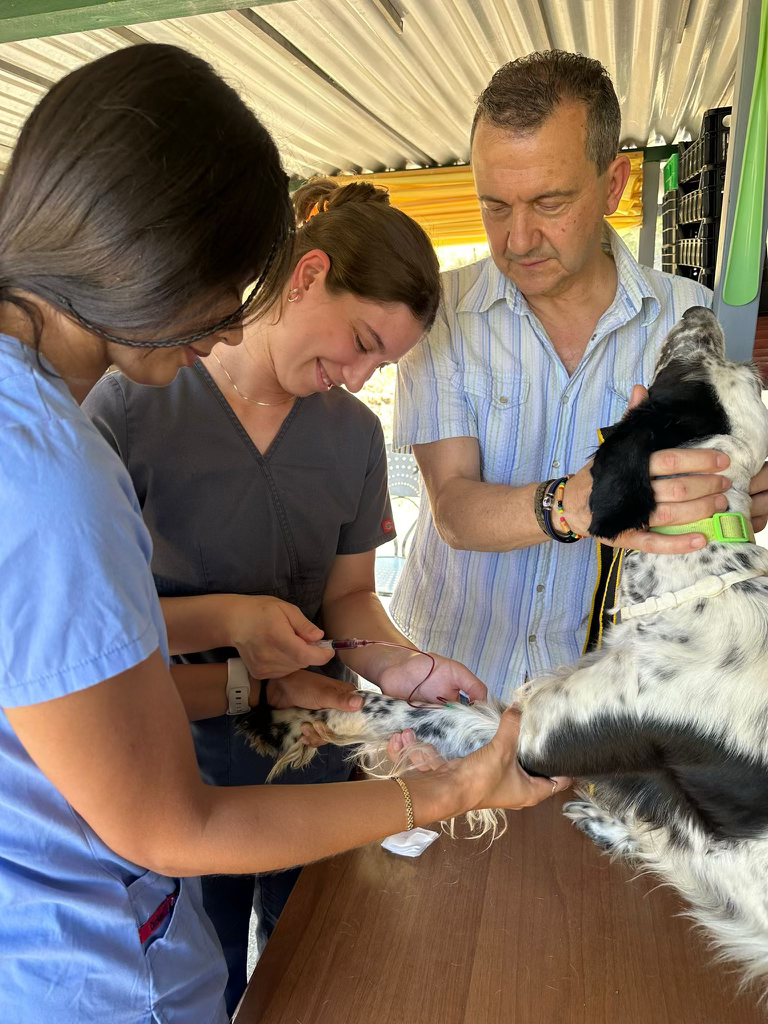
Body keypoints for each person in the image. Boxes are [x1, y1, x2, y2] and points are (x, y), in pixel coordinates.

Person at [0, 43, 567, 1024]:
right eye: (222, 298)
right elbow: (172, 820)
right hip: (94, 958)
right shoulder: (68, 461)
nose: (223, 331)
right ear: (149, 256)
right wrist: (452, 789)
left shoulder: (50, 435)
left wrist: (381, 662)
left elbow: (60, 657)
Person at [83, 176, 489, 1014]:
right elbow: (95, 624)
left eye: (383, 362)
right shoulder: (133, 403)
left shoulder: (353, 435)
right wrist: (234, 623)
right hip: (176, 764)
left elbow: (348, 599)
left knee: (316, 970)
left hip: (315, 757)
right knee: (204, 977)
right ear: (307, 275)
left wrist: (405, 670)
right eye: (361, 340)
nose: (358, 374)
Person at [392, 50, 768, 700]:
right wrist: (580, 499)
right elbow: (452, 508)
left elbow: (731, 496)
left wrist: (736, 497)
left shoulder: (695, 322)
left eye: (548, 201)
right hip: (448, 688)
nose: (517, 237)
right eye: (495, 206)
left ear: (615, 183)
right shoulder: (440, 314)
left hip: (607, 699)